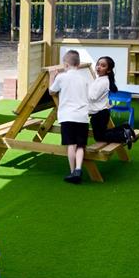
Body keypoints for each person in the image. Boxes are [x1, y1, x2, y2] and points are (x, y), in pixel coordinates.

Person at [50, 49, 91, 183]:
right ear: (78, 64)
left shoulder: (62, 77)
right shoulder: (84, 79)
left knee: (71, 145)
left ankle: (73, 171)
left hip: (68, 116)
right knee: (80, 145)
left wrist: (52, 76)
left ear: (65, 65)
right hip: (82, 116)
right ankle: (79, 168)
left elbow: (52, 91)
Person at [89, 55, 137, 148]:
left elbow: (93, 97)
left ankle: (123, 135)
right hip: (100, 112)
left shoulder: (103, 81)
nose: (98, 67)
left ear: (108, 70)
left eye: (103, 66)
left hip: (99, 113)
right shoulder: (100, 79)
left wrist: (81, 92)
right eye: (98, 64)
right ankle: (124, 127)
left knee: (99, 137)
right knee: (103, 133)